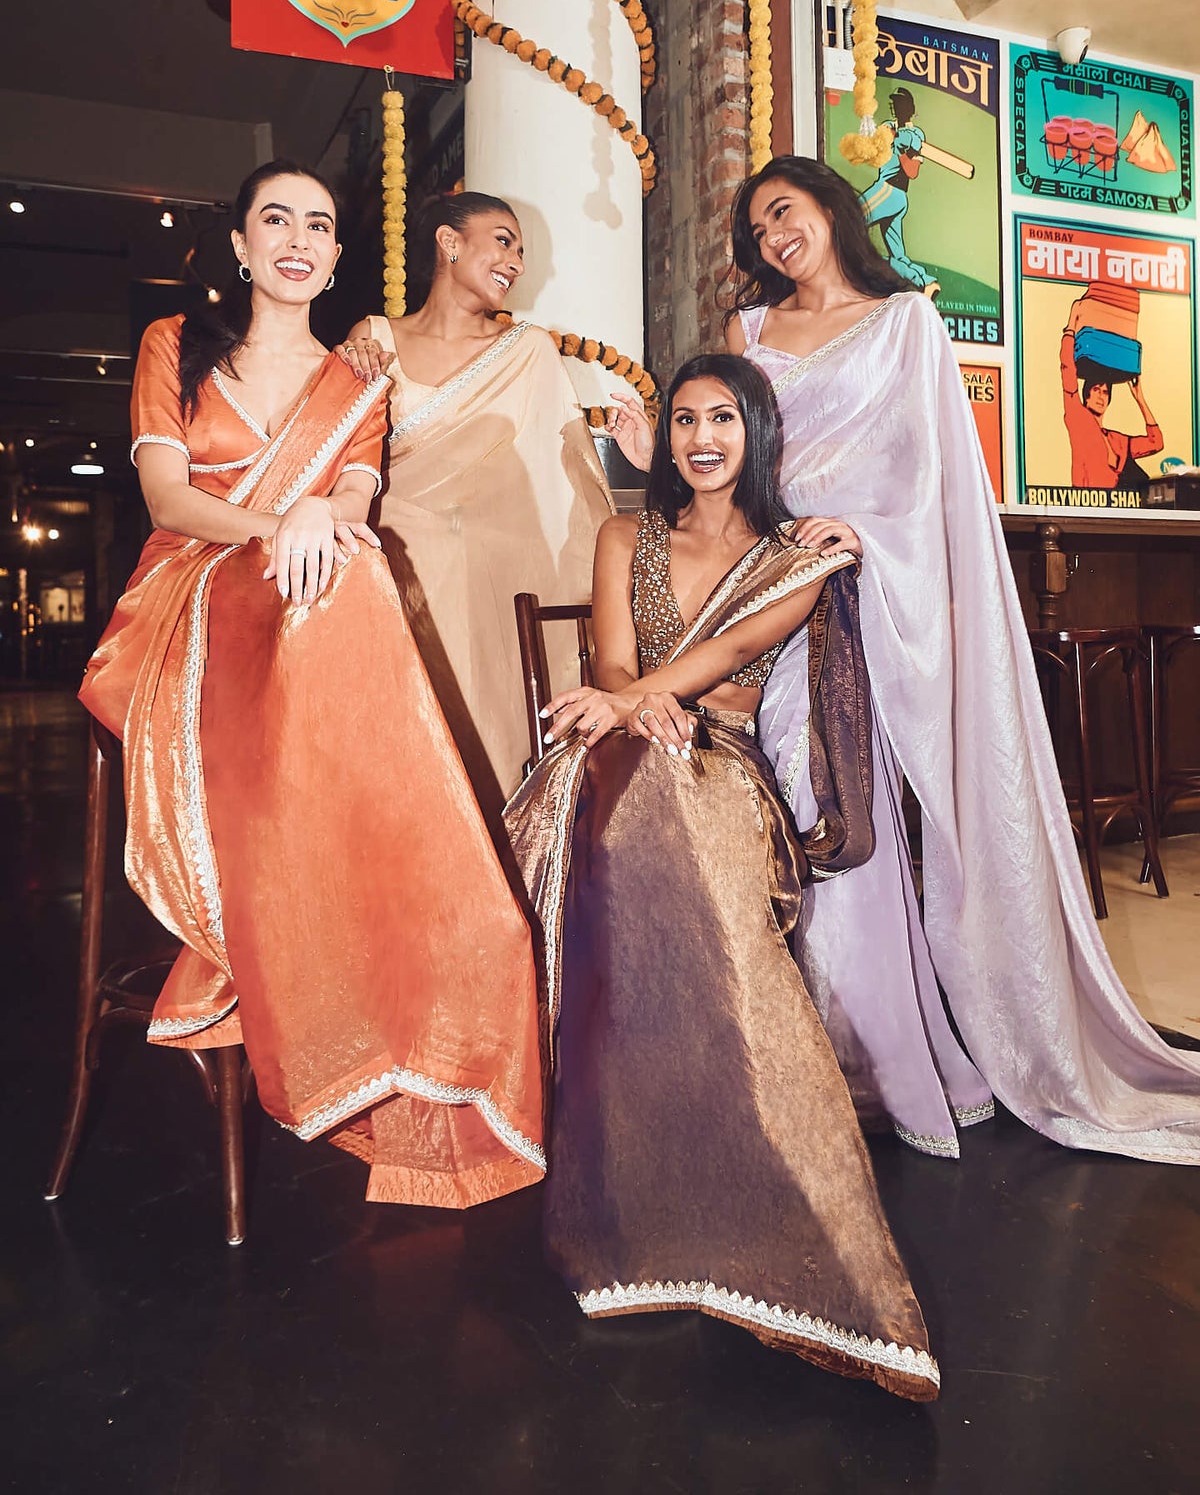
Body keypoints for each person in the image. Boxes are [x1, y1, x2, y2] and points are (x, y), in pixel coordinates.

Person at [608, 155, 1200, 1167]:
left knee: (834, 807)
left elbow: (928, 480)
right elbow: (730, 460)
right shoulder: (749, 334)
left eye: (784, 212)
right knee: (771, 802)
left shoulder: (907, 324)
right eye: (756, 229)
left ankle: (863, 1061)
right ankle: (765, 1044)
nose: (772, 237)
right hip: (755, 580)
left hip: (849, 592)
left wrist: (865, 534)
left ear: (831, 208)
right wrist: (646, 458)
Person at [80, 160, 544, 1207]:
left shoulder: (358, 381)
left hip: (307, 598)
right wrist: (282, 522)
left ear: (337, 258)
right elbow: (166, 500)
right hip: (186, 596)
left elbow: (356, 503)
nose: (298, 239)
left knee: (352, 574)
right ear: (241, 246)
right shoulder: (174, 346)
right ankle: (315, 909)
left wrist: (317, 523)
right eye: (277, 220)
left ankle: (428, 925)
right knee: (340, 578)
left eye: (320, 226)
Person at [505, 354, 940, 1403]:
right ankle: (631, 1195)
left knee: (668, 802)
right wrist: (632, 703)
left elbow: (743, 642)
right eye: (686, 420)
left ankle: (791, 1222)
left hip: (725, 764)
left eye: (723, 419)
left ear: (756, 432)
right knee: (629, 788)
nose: (702, 438)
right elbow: (612, 661)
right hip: (619, 748)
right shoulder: (625, 535)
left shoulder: (791, 558)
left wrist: (649, 701)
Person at [338, 192, 614, 825]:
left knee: (492, 752)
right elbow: (339, 456)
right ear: (449, 242)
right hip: (398, 577)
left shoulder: (526, 350)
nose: (516, 262)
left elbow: (569, 475)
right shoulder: (373, 339)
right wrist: (343, 374)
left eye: (522, 251)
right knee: (401, 750)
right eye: (503, 241)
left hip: (495, 583)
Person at [1060, 297, 1162, 489]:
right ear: (1086, 395)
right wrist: (1071, 325)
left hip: (1118, 506)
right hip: (1085, 505)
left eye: (1105, 392)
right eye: (1096, 390)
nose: (1101, 396)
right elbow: (1067, 369)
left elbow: (1155, 443)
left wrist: (1139, 398)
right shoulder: (1078, 420)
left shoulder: (1118, 441)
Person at [857, 87, 938, 296]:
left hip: (890, 191)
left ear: (909, 108)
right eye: (893, 102)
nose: (894, 106)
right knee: (898, 256)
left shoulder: (915, 134)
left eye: (899, 103)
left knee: (849, 221)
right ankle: (925, 282)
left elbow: (912, 172)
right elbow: (876, 145)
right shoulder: (888, 126)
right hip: (892, 195)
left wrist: (901, 147)